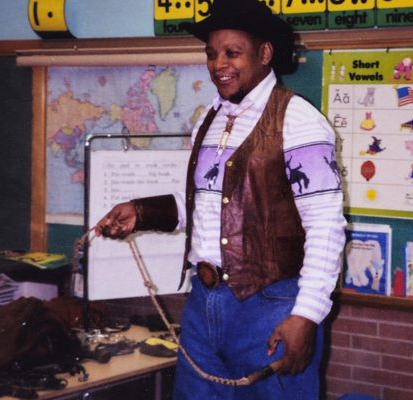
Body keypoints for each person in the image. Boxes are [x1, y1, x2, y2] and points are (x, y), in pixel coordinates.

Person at [95, 0, 346, 398]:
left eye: (232, 53)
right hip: (203, 305)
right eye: (212, 54)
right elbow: (209, 202)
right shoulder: (209, 118)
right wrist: (141, 213)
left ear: (264, 54)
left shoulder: (298, 120)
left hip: (271, 304)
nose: (218, 64)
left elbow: (325, 225)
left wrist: (307, 315)